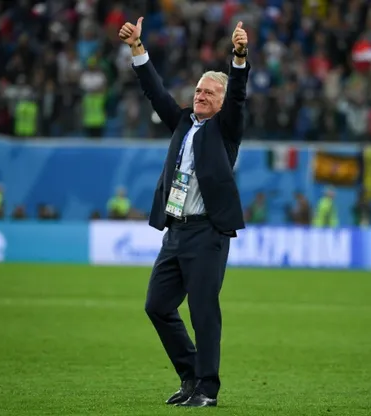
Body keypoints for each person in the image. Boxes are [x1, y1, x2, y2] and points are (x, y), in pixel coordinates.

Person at [118, 17, 250, 408]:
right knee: (157, 305)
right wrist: (137, 48)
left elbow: (238, 95)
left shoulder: (225, 129)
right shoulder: (182, 123)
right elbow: (155, 92)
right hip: (176, 231)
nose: (201, 95)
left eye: (210, 92)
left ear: (221, 102)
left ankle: (207, 390)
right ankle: (191, 375)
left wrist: (239, 57)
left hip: (208, 233)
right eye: (198, 90)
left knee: (203, 311)